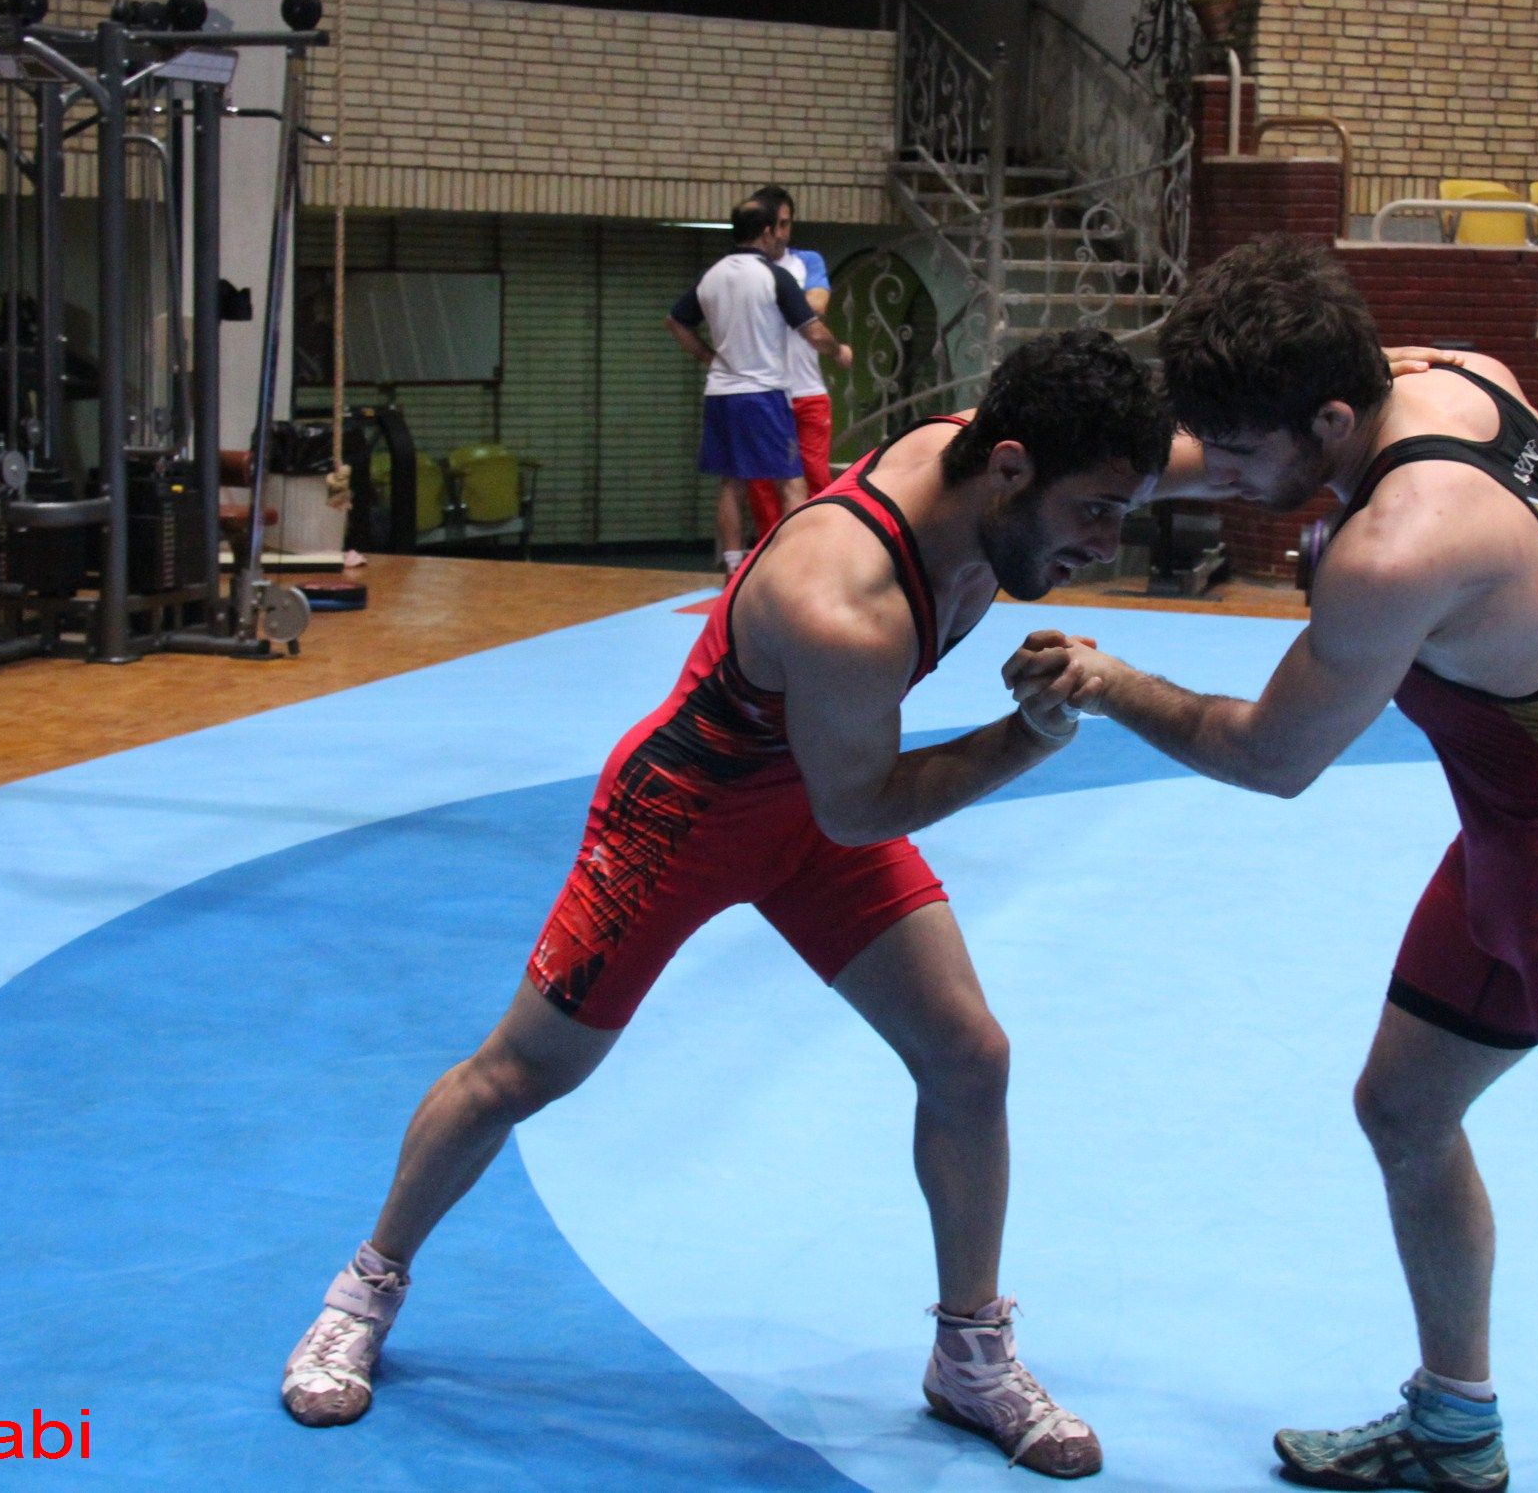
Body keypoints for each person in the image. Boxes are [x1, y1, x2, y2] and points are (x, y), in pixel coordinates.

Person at [1005, 237, 1538, 1493]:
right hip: (1509, 855)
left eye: (1241, 455)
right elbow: (1213, 449)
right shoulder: (1459, 376)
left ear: (1329, 419)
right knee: (1404, 1110)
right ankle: (1455, 1428)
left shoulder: (1394, 549)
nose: (1225, 483)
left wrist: (1110, 678)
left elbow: (1270, 756)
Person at [281, 329, 1174, 1480]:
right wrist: (1031, 734)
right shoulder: (846, 598)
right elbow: (863, 809)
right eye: (1095, 513)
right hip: (690, 815)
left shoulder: (1008, 460)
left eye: (1121, 512)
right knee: (522, 1071)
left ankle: (969, 1354)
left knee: (970, 1056)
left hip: (818, 803)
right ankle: (365, 1286)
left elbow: (1214, 447)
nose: (1106, 544)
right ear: (1009, 468)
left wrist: (1342, 401)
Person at [665, 199, 848, 570]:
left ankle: (733, 565)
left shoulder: (712, 275)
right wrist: (838, 350)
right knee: (791, 481)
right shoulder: (773, 276)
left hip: (720, 394)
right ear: (766, 232)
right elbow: (813, 331)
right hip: (763, 394)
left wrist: (708, 357)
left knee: (731, 484)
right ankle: (795, 564)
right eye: (776, 228)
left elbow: (675, 322)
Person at [752, 185, 841, 506]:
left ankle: (814, 539)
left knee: (816, 480)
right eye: (776, 225)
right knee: (763, 487)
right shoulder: (745, 268)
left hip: (807, 391)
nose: (781, 233)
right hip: (763, 390)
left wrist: (766, 302)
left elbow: (817, 305)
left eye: (787, 224)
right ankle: (772, 539)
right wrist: (792, 303)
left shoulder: (807, 261)